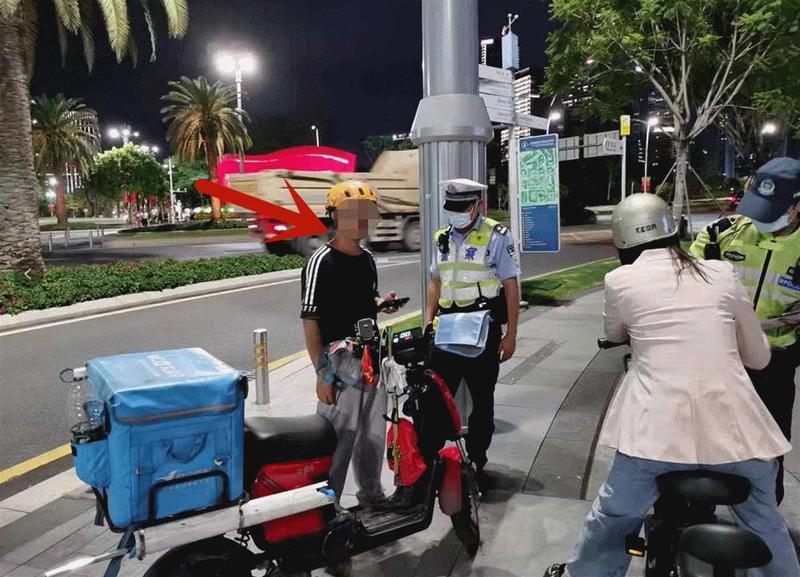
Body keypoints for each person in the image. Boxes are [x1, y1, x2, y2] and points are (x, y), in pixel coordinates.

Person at [545, 193, 799, 577]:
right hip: (739, 438)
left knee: (613, 516)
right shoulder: (720, 273)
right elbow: (759, 358)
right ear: (672, 231)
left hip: (654, 439)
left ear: (622, 242)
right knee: (765, 522)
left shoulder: (620, 280)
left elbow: (614, 333)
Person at [690, 157, 800, 505]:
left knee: (767, 444)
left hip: (774, 362)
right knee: (706, 439)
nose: (758, 220)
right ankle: (698, 509)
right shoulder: (721, 234)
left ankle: (763, 511)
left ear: (796, 207)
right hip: (720, 356)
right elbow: (687, 282)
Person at [300, 179, 399, 510]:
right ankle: (326, 508)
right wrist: (322, 374)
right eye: (351, 213)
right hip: (339, 365)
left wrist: (381, 303)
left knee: (372, 435)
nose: (360, 220)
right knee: (338, 440)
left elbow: (364, 299)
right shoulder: (321, 262)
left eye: (366, 212)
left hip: (372, 359)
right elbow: (310, 319)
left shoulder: (367, 258)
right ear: (334, 216)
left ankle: (371, 496)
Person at [419, 178, 520, 491]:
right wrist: (428, 321)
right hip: (446, 333)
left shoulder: (497, 236)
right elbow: (435, 281)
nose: (456, 213)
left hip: (483, 332)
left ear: (477, 205)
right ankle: (431, 462)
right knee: (435, 400)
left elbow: (511, 286)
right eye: (452, 207)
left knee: (482, 403)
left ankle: (477, 461)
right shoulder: (441, 237)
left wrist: (511, 335)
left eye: (462, 207)